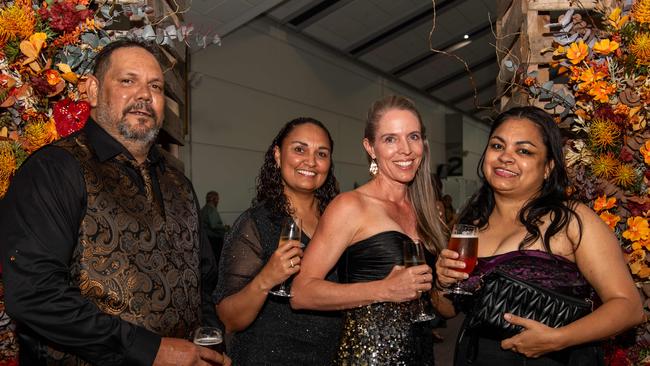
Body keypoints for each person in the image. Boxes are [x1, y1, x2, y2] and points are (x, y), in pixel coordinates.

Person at [0, 39, 229, 366]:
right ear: (92, 91)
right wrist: (151, 350)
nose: (144, 95)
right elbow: (35, 295)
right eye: (127, 80)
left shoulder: (179, 185)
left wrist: (209, 341)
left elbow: (204, 284)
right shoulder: (55, 170)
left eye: (155, 86)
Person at [435, 106, 644, 365]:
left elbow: (629, 307)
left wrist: (559, 338)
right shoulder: (470, 225)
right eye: (498, 146)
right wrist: (442, 283)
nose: (506, 157)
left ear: (548, 167)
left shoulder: (570, 220)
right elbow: (447, 309)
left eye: (524, 151)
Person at [291, 95, 448, 365]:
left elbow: (445, 307)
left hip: (421, 355)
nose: (405, 149)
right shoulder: (350, 206)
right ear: (370, 147)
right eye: (390, 139)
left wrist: (446, 281)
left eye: (413, 137)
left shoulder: (427, 211)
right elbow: (300, 293)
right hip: (367, 357)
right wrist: (385, 289)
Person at [215, 117, 342, 365]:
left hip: (331, 356)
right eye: (299, 149)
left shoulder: (338, 221)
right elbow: (229, 319)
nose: (311, 161)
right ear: (277, 155)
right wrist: (266, 278)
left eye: (322, 153)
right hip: (269, 357)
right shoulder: (255, 224)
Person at [201, 191, 227, 263]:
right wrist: (224, 228)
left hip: (207, 239)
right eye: (217, 199)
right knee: (217, 259)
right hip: (215, 240)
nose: (218, 201)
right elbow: (214, 225)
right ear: (214, 199)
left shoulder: (204, 209)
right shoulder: (211, 210)